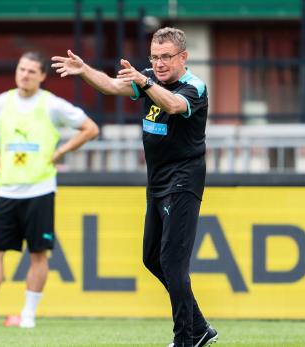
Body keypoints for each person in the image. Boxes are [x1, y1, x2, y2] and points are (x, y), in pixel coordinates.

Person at [51, 27, 218, 347]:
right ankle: (199, 327)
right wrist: (85, 70)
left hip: (184, 180)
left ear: (183, 57)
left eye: (166, 57)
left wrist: (146, 82)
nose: (159, 63)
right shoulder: (148, 79)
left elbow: (172, 105)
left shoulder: (194, 87)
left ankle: (185, 338)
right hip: (157, 182)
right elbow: (113, 86)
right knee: (152, 258)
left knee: (172, 262)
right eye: (154, 57)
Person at [0, 51, 99, 329]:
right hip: (7, 190)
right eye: (22, 69)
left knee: (38, 255)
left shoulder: (52, 105)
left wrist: (61, 152)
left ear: (43, 76)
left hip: (40, 190)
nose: (25, 74)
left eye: (32, 71)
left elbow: (90, 128)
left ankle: (28, 314)